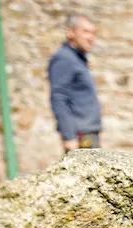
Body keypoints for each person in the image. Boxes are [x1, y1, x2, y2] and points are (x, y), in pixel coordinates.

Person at [48, 14, 102, 153]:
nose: (90, 38)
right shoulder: (64, 59)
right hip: (79, 135)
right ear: (70, 32)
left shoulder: (77, 58)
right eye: (85, 32)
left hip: (88, 132)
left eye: (92, 33)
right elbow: (59, 98)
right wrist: (69, 136)